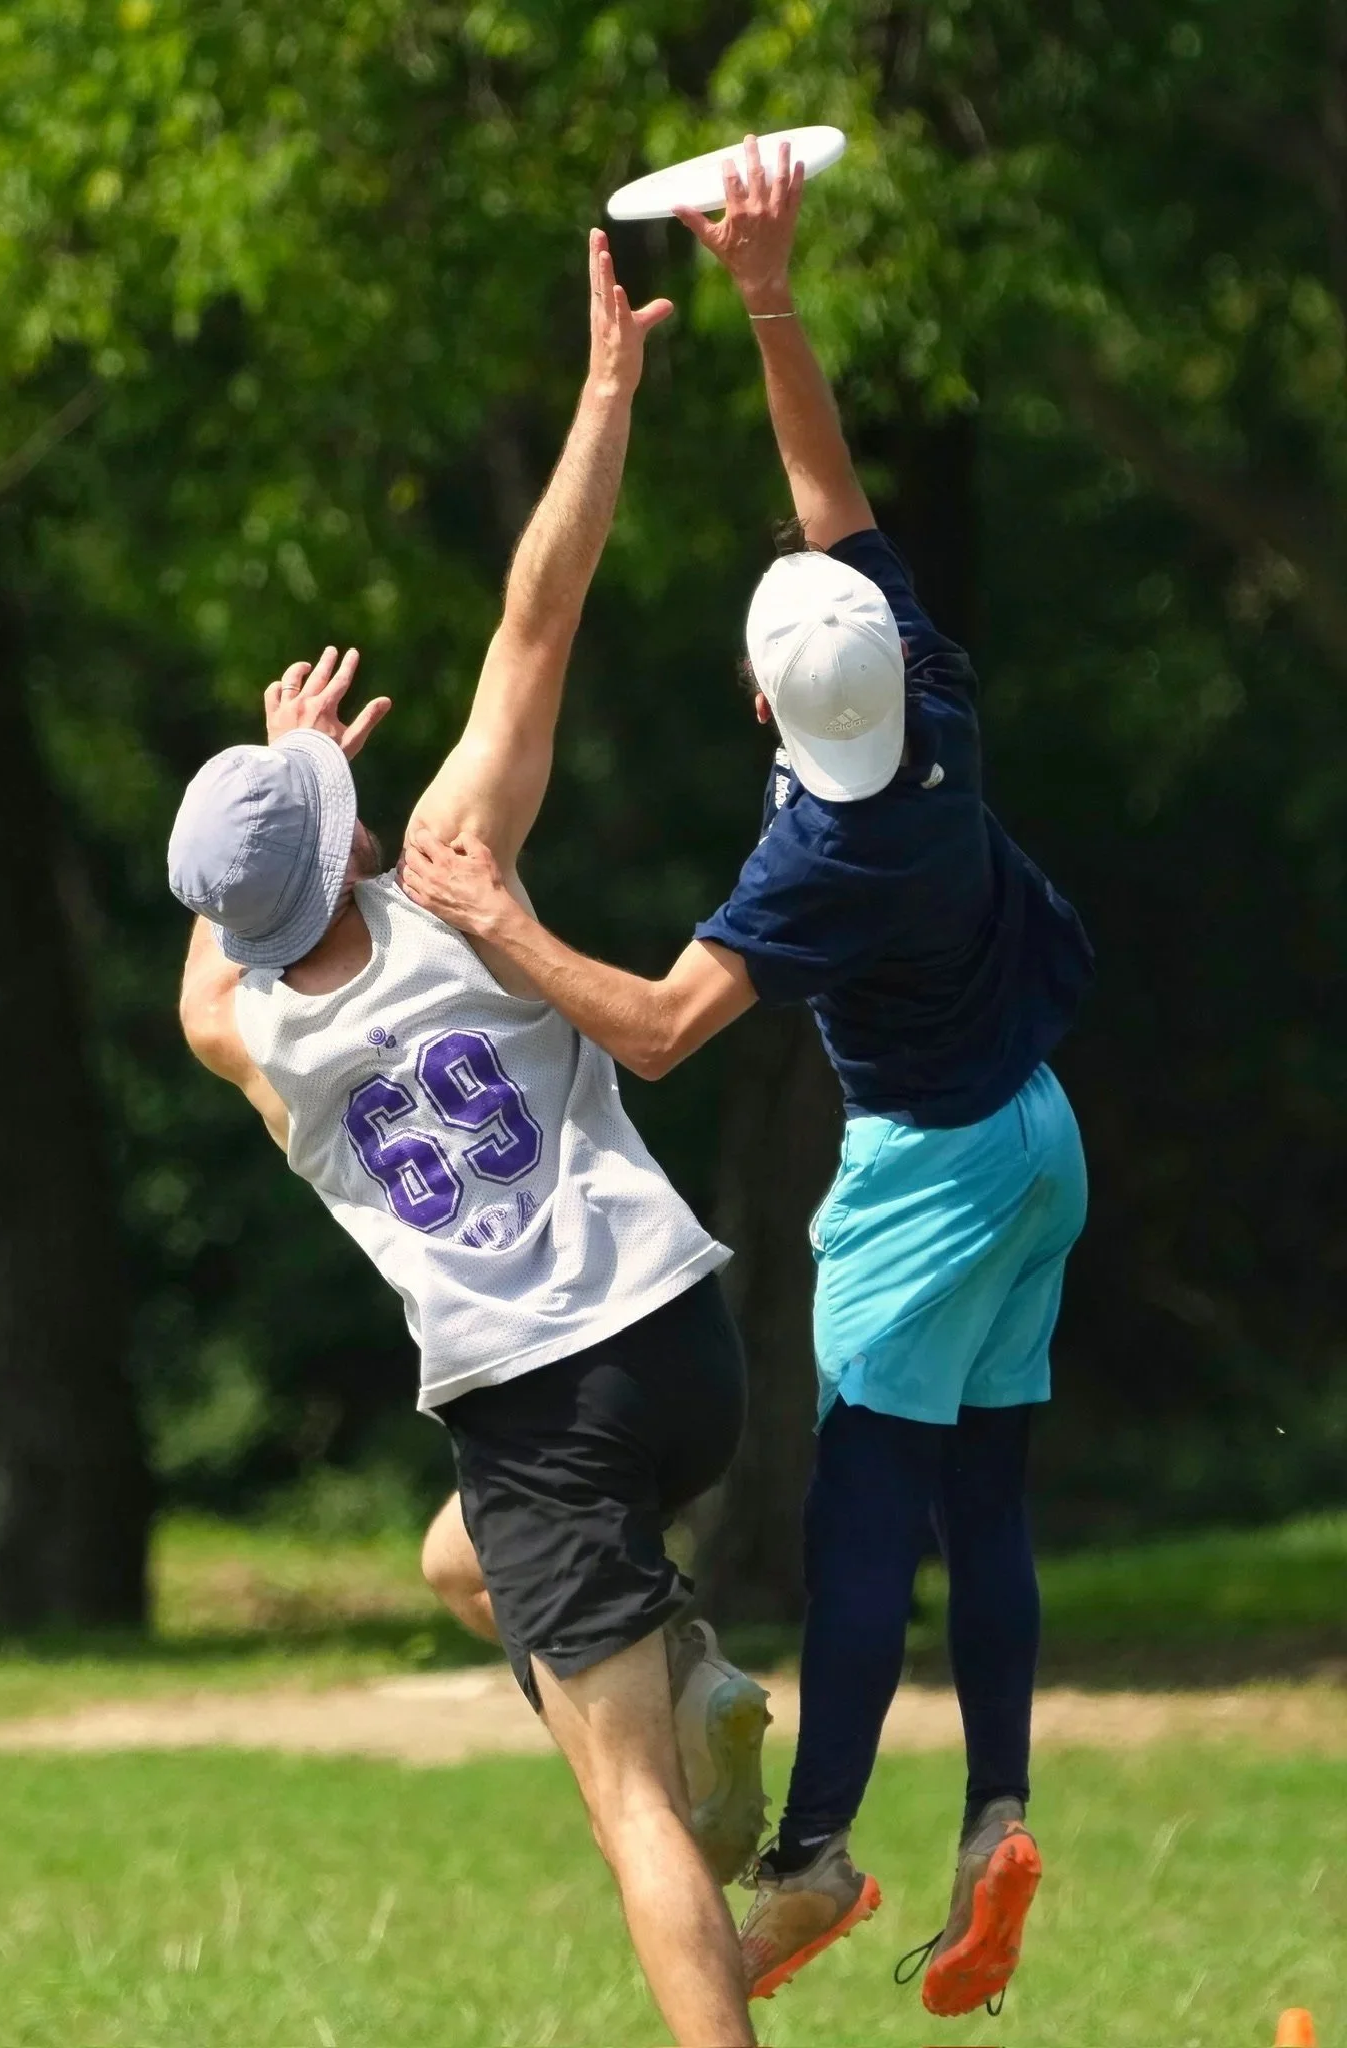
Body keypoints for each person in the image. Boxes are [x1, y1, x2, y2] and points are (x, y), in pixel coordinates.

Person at [400, 140, 1094, 2022]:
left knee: (869, 1517)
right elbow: (830, 493)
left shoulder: (812, 865)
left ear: (770, 703)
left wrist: (485, 917)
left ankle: (812, 1859)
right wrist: (771, 292)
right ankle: (997, 1815)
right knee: (994, 1504)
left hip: (930, 1168)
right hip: (1043, 1139)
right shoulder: (929, 694)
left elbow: (644, 1024)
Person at [170, 231, 770, 2048]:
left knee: (631, 1815)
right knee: (460, 1566)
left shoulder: (247, 1041)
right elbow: (535, 619)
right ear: (350, 835)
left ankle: (684, 1725)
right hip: (685, 1347)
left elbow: (217, 957)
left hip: (537, 1402)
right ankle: (689, 1665)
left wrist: (272, 819)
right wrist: (607, 395)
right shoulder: (450, 870)